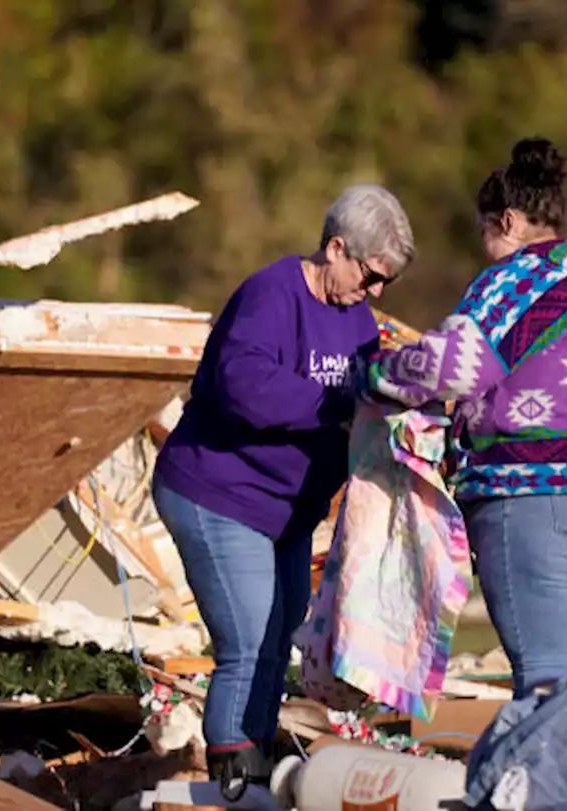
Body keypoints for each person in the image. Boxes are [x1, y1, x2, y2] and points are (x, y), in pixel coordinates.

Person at [364, 137, 567, 699]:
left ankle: (547, 788)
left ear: (506, 220)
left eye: (484, 232)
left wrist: (375, 372)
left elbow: (451, 368)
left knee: (547, 689)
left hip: (545, 497)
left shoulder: (516, 279)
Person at [152, 184, 414, 797]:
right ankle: (228, 785)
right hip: (219, 493)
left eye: (387, 286)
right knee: (245, 641)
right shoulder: (271, 294)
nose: (375, 293)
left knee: (279, 638)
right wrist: (333, 403)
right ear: (336, 248)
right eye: (372, 276)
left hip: (287, 514)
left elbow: (366, 398)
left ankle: (262, 772)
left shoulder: (358, 322)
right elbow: (243, 386)